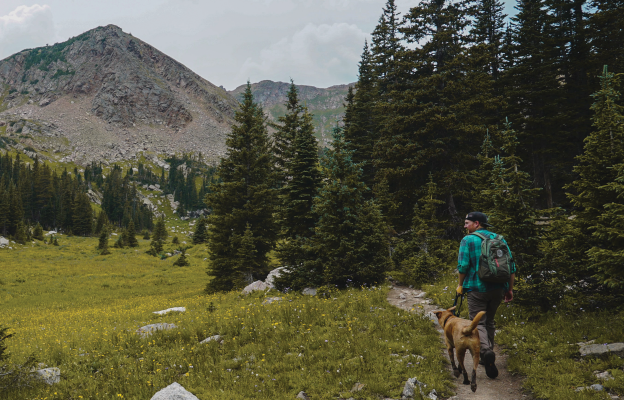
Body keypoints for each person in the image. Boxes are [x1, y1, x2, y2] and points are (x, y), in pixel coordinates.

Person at [456, 211, 516, 379]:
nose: (465, 226)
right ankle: (488, 351)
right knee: (489, 320)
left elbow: (463, 266)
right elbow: (511, 267)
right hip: (498, 288)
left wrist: (460, 285)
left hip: (476, 288)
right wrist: (509, 289)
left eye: (467, 223)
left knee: (478, 322)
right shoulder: (499, 239)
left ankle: (485, 352)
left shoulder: (467, 240)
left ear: (477, 223)